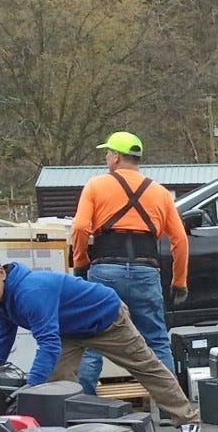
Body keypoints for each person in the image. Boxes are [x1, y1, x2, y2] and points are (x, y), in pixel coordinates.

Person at [0, 251, 200, 432]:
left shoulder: (31, 291)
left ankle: (187, 419)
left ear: (0, 272)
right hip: (69, 331)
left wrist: (31, 385)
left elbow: (48, 344)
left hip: (106, 319)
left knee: (146, 367)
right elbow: (1, 341)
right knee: (55, 381)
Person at [70, 131, 189, 395]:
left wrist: (80, 262)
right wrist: (179, 282)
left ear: (116, 157)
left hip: (105, 270)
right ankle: (173, 411)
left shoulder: (96, 185)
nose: (105, 157)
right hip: (146, 271)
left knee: (93, 341)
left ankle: (82, 405)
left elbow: (79, 228)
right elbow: (180, 240)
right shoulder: (159, 192)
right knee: (157, 341)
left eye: (107, 152)